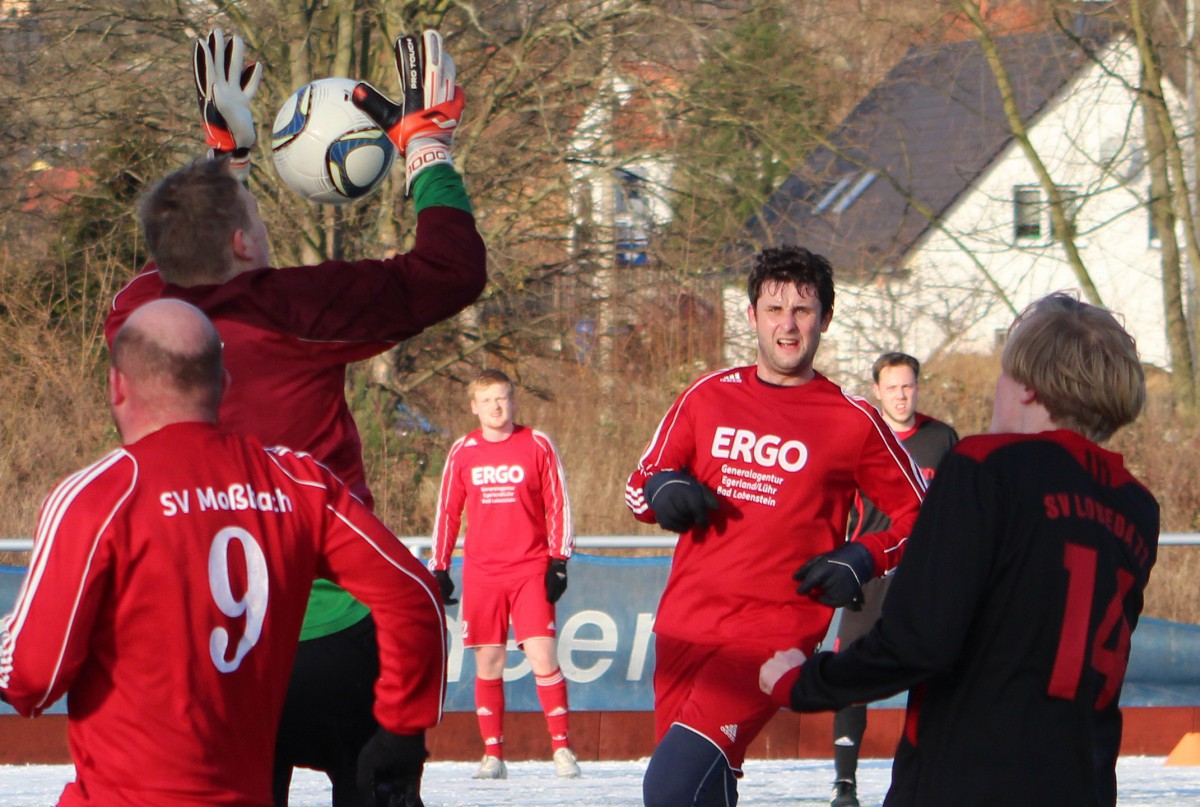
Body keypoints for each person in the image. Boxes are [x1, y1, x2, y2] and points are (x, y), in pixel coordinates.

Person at [102, 30, 485, 806]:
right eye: (254, 212)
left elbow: (173, 257)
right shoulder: (299, 308)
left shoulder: (135, 318)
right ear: (244, 239)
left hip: (219, 643)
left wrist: (223, 164)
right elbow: (450, 271)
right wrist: (427, 146)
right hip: (341, 629)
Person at [0, 300, 446, 806]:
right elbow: (416, 594)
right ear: (224, 385)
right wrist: (400, 729)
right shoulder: (298, 482)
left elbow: (30, 680)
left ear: (117, 386)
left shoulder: (98, 496)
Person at [760, 293, 1159, 807]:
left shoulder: (986, 467)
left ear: (1030, 388)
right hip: (1084, 781)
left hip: (970, 777)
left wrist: (804, 682)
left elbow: (918, 640)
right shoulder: (1134, 503)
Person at [625, 245, 928, 806]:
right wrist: (661, 490)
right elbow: (641, 481)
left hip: (771, 633)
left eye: (803, 311)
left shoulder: (852, 420)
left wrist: (866, 556)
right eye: (774, 310)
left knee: (670, 788)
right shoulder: (707, 396)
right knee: (697, 788)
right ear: (751, 316)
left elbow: (928, 516)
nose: (788, 326)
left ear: (825, 321)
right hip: (686, 624)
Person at [429, 369, 580, 780]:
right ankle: (493, 755)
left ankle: (562, 748)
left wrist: (559, 560)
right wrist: (439, 565)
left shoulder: (537, 444)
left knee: (542, 655)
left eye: (504, 398)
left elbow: (558, 503)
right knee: (489, 662)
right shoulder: (463, 451)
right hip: (482, 573)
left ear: (513, 402)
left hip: (529, 567)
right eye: (489, 400)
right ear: (474, 406)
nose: (498, 406)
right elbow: (448, 510)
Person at [826, 352, 959, 807]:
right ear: (877, 391)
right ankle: (845, 784)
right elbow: (836, 506)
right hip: (871, 578)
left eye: (909, 386)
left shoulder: (942, 439)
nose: (902, 395)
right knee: (852, 676)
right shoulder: (861, 438)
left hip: (925, 579)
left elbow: (962, 511)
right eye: (893, 387)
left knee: (936, 676)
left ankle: (928, 779)